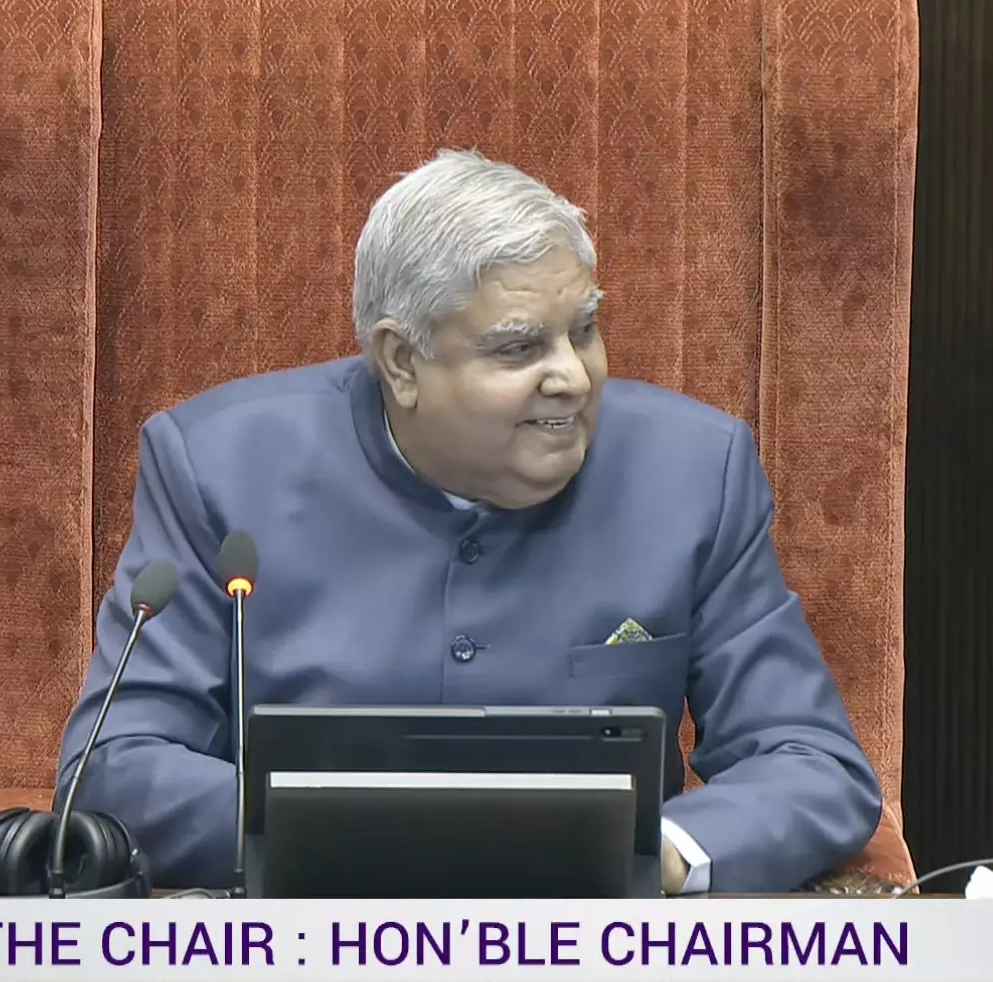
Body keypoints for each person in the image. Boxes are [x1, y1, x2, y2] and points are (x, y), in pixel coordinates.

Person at [55, 149, 882, 895]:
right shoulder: (219, 467)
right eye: (519, 349)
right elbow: (114, 769)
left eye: (584, 331)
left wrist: (653, 851)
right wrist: (369, 833)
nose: (572, 377)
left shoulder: (694, 470)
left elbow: (812, 762)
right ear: (402, 362)